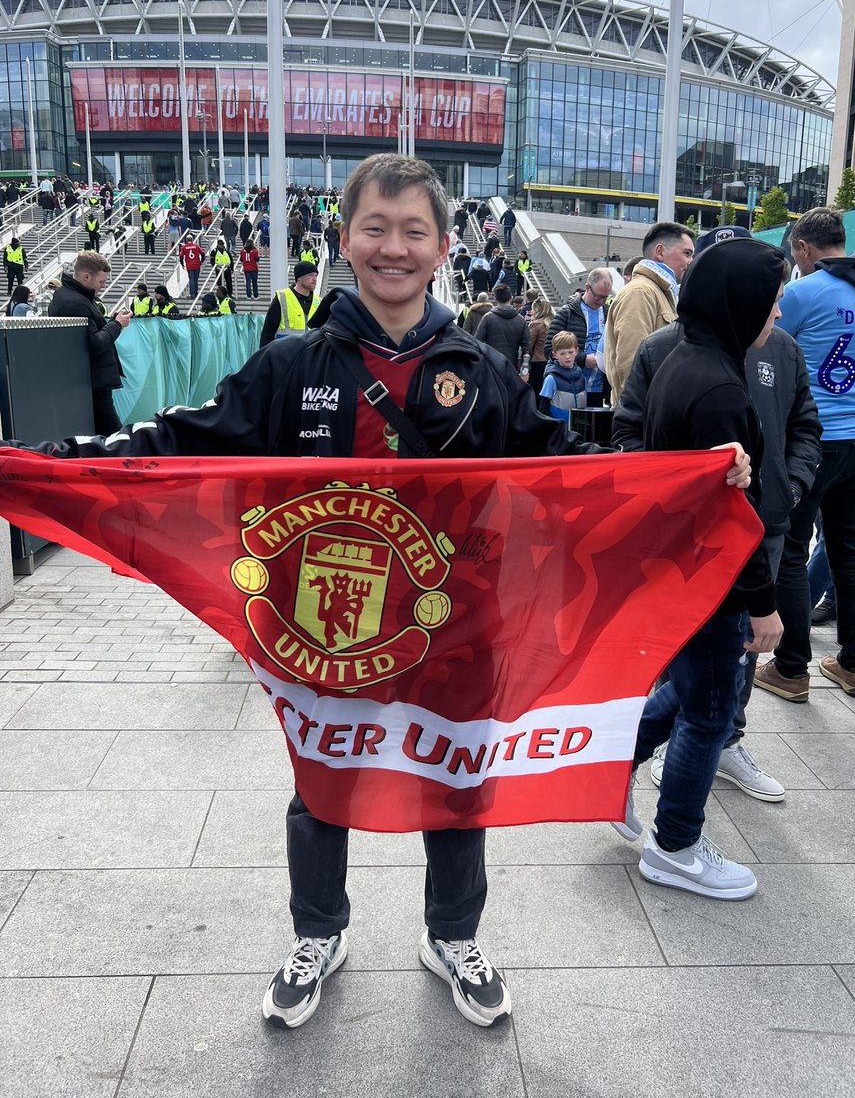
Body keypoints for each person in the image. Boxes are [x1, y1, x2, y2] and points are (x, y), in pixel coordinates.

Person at [0, 154, 632, 1032]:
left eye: (414, 231)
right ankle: (318, 933)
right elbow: (189, 440)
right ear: (344, 239)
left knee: (454, 782)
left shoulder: (480, 369)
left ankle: (453, 935)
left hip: (455, 628)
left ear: (444, 246)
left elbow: (561, 466)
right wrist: (62, 462)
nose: (394, 248)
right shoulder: (293, 363)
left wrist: (688, 476)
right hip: (325, 626)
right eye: (375, 227)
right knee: (322, 779)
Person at [614, 229, 822, 802]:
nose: (779, 309)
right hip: (714, 554)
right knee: (707, 684)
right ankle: (677, 836)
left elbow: (805, 426)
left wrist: (788, 485)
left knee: (707, 678)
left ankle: (670, 754)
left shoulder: (770, 349)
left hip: (761, 530)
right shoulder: (688, 365)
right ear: (739, 299)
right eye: (771, 296)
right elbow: (635, 437)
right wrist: (762, 601)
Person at [754, 208, 855, 703]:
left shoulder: (802, 292)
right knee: (847, 548)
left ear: (802, 248)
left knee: (793, 549)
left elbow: (768, 346)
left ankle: (791, 669)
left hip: (816, 437)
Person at [604, 222, 695, 405]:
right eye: (686, 253)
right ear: (660, 252)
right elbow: (631, 365)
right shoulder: (641, 292)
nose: (690, 261)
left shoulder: (658, 292)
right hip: (644, 419)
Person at [48, 250, 129, 435]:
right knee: (115, 438)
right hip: (92, 383)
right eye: (101, 282)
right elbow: (95, 344)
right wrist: (117, 325)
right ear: (86, 276)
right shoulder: (75, 303)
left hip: (87, 381)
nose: (102, 286)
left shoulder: (70, 297)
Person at [546, 268, 613, 404]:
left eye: (606, 297)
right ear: (587, 287)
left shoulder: (610, 314)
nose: (601, 301)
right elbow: (548, 349)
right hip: (570, 389)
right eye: (598, 296)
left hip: (599, 390)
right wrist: (582, 359)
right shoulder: (567, 313)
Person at [259, 261, 321, 348]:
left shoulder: (319, 302)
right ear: (299, 277)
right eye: (310, 275)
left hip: (311, 358)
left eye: (316, 275)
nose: (314, 279)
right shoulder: (282, 298)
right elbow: (268, 332)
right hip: (286, 357)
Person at [474, 285, 530, 378]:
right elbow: (526, 347)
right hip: (512, 366)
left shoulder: (488, 318)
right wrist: (525, 369)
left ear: (495, 299)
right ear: (511, 298)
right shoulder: (521, 320)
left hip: (491, 366)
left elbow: (477, 342)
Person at [538, 331, 588, 422]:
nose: (567, 356)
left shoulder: (582, 378)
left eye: (570, 352)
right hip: (559, 429)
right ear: (555, 355)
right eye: (562, 353)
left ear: (576, 351)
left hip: (578, 428)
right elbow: (543, 409)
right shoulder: (551, 379)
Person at [527, 296, 553, 397]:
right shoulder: (553, 323)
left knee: (535, 393)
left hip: (537, 362)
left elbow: (530, 345)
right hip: (550, 361)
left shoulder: (535, 325)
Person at [179, 234, 206, 301]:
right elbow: (203, 253)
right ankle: (196, 292)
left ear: (186, 240)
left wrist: (182, 264)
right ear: (192, 239)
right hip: (197, 265)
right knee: (196, 279)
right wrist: (201, 261)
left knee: (191, 279)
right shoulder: (196, 246)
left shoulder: (184, 247)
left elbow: (181, 256)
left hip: (189, 265)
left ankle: (192, 294)